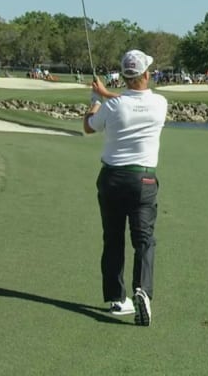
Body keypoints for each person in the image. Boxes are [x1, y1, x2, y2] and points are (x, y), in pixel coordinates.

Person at [83, 49, 168, 326]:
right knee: (144, 239)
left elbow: (88, 126)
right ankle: (142, 289)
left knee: (113, 239)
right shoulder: (160, 103)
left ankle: (118, 299)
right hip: (143, 181)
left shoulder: (112, 106)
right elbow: (133, 103)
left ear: (125, 75)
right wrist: (106, 95)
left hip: (112, 179)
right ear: (146, 74)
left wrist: (96, 99)